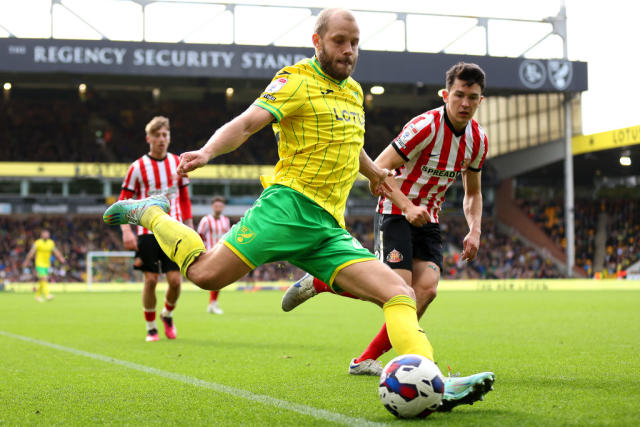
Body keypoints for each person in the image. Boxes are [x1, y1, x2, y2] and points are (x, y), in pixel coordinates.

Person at [105, 8, 437, 373]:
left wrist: (374, 172)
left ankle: (431, 378)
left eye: (355, 43)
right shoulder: (295, 80)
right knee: (204, 275)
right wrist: (208, 151)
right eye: (339, 41)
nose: (349, 51)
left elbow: (347, 141)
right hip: (285, 210)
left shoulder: (355, 93)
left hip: (327, 228)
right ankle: (152, 213)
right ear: (317, 42)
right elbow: (247, 124)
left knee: (400, 294)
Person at [281, 62, 495, 411]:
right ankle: (322, 282)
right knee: (397, 293)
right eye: (459, 95)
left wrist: (475, 228)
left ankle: (364, 360)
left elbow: (472, 193)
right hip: (396, 211)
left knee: (426, 291)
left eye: (472, 97)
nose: (465, 103)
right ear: (446, 94)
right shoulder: (424, 127)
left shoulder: (478, 141)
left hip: (429, 219)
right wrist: (408, 205)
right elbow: (376, 170)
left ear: (480, 100)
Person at [117, 116, 194, 342]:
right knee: (150, 280)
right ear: (148, 138)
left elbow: (185, 199)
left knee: (175, 281)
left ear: (169, 138)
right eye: (158, 135)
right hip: (147, 231)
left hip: (174, 230)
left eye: (165, 135)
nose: (162, 139)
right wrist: (126, 231)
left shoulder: (178, 164)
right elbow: (124, 199)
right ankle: (151, 327)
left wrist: (190, 227)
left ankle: (167, 314)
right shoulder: (137, 167)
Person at [197, 195, 231, 314]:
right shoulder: (206, 220)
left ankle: (213, 303)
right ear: (212, 206)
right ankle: (213, 303)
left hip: (222, 252)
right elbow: (200, 236)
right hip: (210, 252)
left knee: (219, 278)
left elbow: (228, 236)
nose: (218, 208)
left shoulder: (225, 220)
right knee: (216, 278)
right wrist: (202, 251)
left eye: (220, 206)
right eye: (216, 206)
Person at [22, 229, 65, 302]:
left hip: (47, 264)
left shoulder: (51, 243)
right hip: (39, 263)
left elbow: (56, 251)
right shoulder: (37, 243)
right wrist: (26, 261)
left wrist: (61, 258)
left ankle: (38, 296)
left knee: (43, 280)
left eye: (47, 234)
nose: (46, 235)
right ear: (41, 235)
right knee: (44, 278)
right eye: (45, 234)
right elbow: (31, 253)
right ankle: (47, 295)